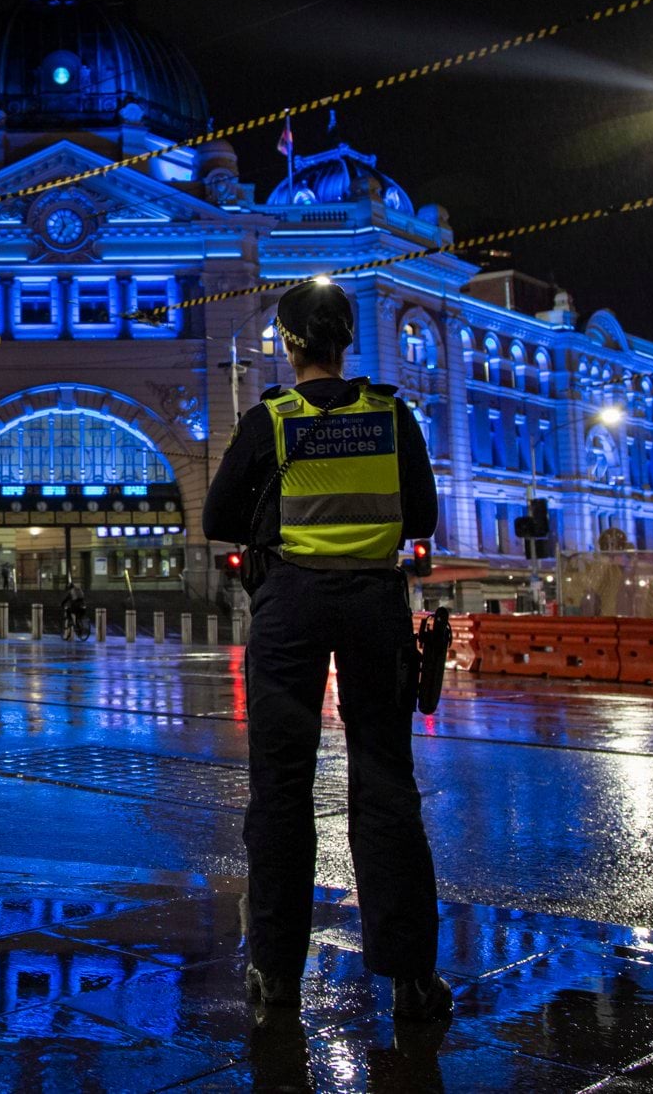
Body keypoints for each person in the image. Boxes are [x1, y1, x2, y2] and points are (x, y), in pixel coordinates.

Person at [202, 279, 452, 1023]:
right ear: (348, 343)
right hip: (375, 602)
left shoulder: (270, 419)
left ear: (289, 344)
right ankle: (410, 974)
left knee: (280, 789)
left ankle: (276, 972)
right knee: (386, 785)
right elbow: (425, 514)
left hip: (291, 608)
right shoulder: (391, 414)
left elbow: (218, 516)